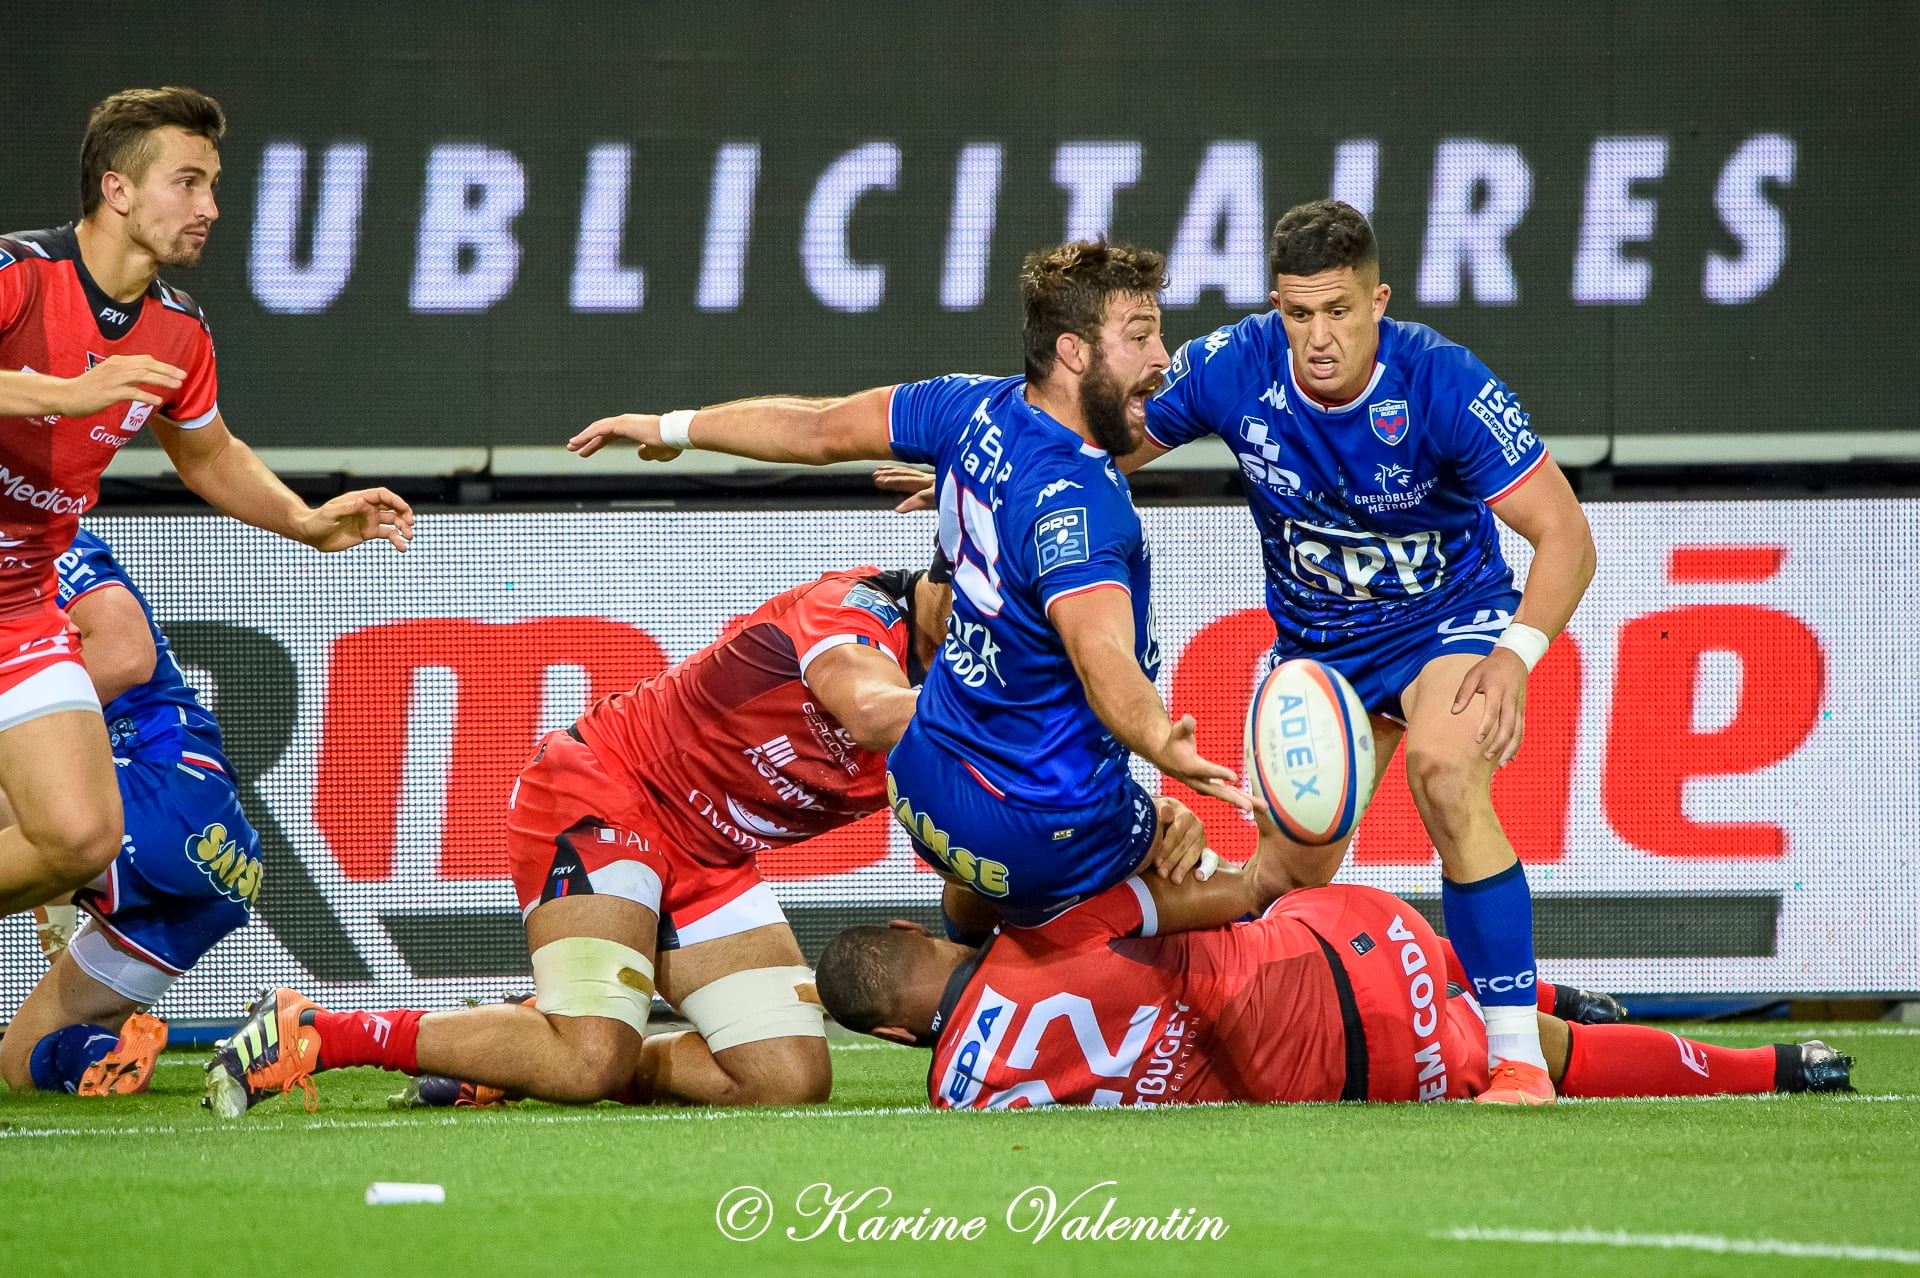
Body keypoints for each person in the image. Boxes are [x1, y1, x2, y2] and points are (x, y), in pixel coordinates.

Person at [886, 203, 1598, 1103]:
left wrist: (1515, 656)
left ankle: (1519, 1063)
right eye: (1300, 315)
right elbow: (1114, 435)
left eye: (1340, 311)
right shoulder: (1236, 362)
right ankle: (1514, 997)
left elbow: (1567, 536)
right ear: (1276, 307)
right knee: (1278, 878)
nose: (1320, 337)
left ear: (1379, 301)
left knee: (1446, 773)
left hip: (1445, 628)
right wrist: (995, 476)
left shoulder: (1444, 381)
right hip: (1321, 658)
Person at [205, 564, 1175, 1115]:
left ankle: (498, 1047)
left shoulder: (964, 707)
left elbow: (975, 890)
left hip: (707, 862)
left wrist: (1114, 826)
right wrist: (1027, 729)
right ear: (938, 590)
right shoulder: (849, 617)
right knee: (589, 1063)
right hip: (602, 792)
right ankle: (320, 1028)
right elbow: (873, 711)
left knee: (785, 1083)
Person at [565, 240, 1278, 944]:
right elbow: (1101, 657)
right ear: (1072, 353)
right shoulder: (1083, 505)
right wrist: (1160, 743)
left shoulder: (967, 409)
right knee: (1261, 889)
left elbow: (817, 428)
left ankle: (982, 945)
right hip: (1040, 823)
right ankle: (990, 996)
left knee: (1029, 891)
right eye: (1141, 336)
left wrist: (671, 428)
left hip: (926, 779)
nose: (1162, 359)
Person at [0, 86, 413, 924]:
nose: (210, 208)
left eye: (212, 186)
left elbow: (209, 453)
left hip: (20, 602)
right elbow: (65, 393)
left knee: (80, 838)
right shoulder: (18, 274)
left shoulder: (180, 330)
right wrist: (62, 391)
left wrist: (303, 519)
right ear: (118, 190)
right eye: (188, 183)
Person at [813, 867, 1854, 1109]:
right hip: (1360, 944)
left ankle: (1788, 1069)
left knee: (1548, 1068)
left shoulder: (962, 1098)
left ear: (903, 1042)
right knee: (1285, 909)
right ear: (914, 928)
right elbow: (1227, 891)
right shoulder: (1052, 915)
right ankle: (1527, 999)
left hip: (1368, 1071)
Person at [0, 528, 264, 1096]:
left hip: (162, 792)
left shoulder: (31, 534)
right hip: (212, 858)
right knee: (25, 1062)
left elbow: (126, 652)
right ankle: (108, 1056)